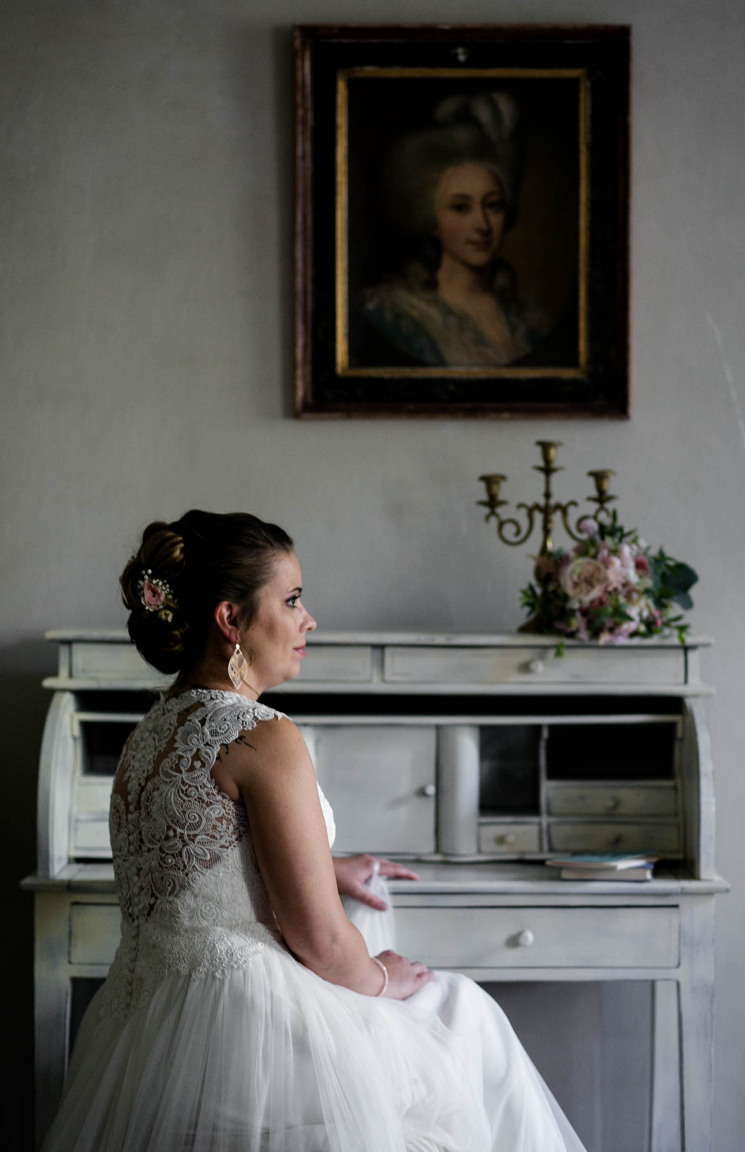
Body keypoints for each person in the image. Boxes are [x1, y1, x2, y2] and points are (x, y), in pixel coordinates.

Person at [42, 509, 587, 1152]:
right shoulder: (261, 735)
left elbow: (201, 869)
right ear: (230, 620)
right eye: (293, 600)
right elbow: (323, 943)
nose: (309, 620)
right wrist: (385, 975)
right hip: (251, 1033)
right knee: (464, 1011)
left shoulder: (149, 734)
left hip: (148, 1028)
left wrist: (325, 866)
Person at [361, 93, 550, 368]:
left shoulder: (526, 320)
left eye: (493, 206)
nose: (483, 225)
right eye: (461, 208)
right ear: (430, 220)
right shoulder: (396, 315)